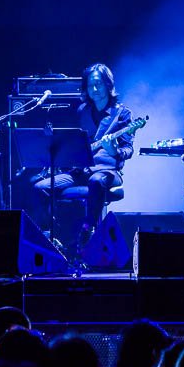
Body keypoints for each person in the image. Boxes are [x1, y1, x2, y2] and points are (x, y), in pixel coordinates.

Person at [32, 62, 135, 242]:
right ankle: (53, 234)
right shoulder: (83, 111)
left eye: (99, 84)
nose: (95, 89)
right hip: (81, 170)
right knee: (40, 187)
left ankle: (87, 230)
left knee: (96, 181)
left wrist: (114, 150)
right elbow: (77, 143)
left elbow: (128, 149)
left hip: (108, 171)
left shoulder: (122, 114)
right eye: (90, 85)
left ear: (108, 84)